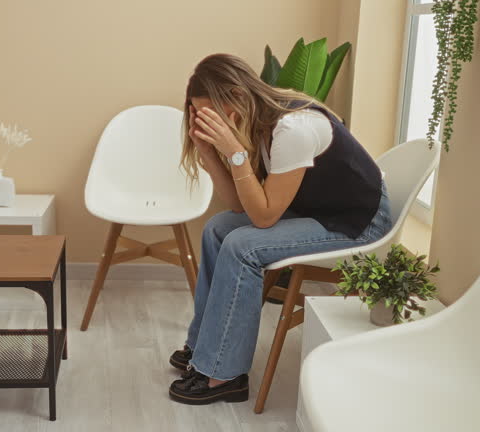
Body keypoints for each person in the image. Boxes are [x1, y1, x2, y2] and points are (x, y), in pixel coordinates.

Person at [168, 54, 393, 405]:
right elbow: (240, 206)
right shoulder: (257, 123)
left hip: (358, 223)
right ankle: (203, 347)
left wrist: (235, 154)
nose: (209, 123)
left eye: (212, 114)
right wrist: (211, 154)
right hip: (318, 212)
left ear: (236, 97)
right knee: (218, 228)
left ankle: (223, 375)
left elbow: (263, 218)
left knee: (243, 244)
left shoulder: (293, 128)